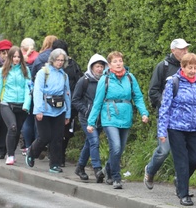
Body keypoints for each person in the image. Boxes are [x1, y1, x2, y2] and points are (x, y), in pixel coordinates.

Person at [87, 51, 149, 189]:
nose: (118, 64)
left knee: (119, 149)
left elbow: (138, 97)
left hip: (125, 116)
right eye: (115, 62)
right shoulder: (105, 79)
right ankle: (116, 177)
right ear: (109, 65)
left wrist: (143, 113)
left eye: (120, 61)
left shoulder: (130, 78)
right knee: (115, 147)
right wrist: (91, 122)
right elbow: (97, 102)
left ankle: (107, 170)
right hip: (109, 117)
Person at [157, 53, 196, 206]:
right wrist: (162, 131)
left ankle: (180, 180)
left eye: (195, 67)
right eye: (189, 67)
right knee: (182, 162)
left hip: (194, 128)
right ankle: (184, 194)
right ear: (182, 67)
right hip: (176, 128)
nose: (193, 70)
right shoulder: (173, 82)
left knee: (195, 159)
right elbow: (164, 107)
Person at [144, 38, 190, 190]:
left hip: (183, 117)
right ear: (173, 51)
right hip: (166, 116)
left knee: (183, 151)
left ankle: (180, 181)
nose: (185, 52)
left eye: (186, 49)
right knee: (164, 150)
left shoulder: (189, 67)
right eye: (182, 49)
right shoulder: (162, 66)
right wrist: (165, 104)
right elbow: (153, 91)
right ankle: (150, 171)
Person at [25, 48, 71, 173]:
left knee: (57, 138)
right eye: (57, 60)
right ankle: (32, 152)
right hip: (44, 109)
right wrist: (39, 110)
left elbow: (67, 94)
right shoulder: (43, 73)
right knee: (45, 136)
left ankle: (54, 164)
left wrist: (68, 113)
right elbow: (38, 91)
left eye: (62, 60)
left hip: (59, 110)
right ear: (52, 60)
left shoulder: (64, 75)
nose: (60, 62)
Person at [0, 46, 31, 165]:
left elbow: (29, 89)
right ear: (10, 57)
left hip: (22, 105)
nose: (16, 59)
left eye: (18, 57)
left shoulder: (26, 70)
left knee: (16, 131)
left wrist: (26, 105)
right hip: (7, 103)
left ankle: (10, 151)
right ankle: (10, 156)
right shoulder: (3, 71)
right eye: (14, 56)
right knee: (12, 127)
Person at [72, 53, 107, 182]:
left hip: (100, 118)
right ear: (91, 67)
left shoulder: (105, 81)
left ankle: (80, 167)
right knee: (94, 141)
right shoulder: (84, 81)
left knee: (89, 143)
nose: (99, 69)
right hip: (86, 117)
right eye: (97, 66)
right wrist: (86, 110)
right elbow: (75, 100)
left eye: (101, 66)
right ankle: (97, 169)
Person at [53, 39, 83, 167]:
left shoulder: (73, 65)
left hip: (67, 103)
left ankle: (60, 156)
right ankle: (57, 156)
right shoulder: (50, 67)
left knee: (65, 132)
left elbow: (79, 82)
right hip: (57, 103)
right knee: (58, 131)